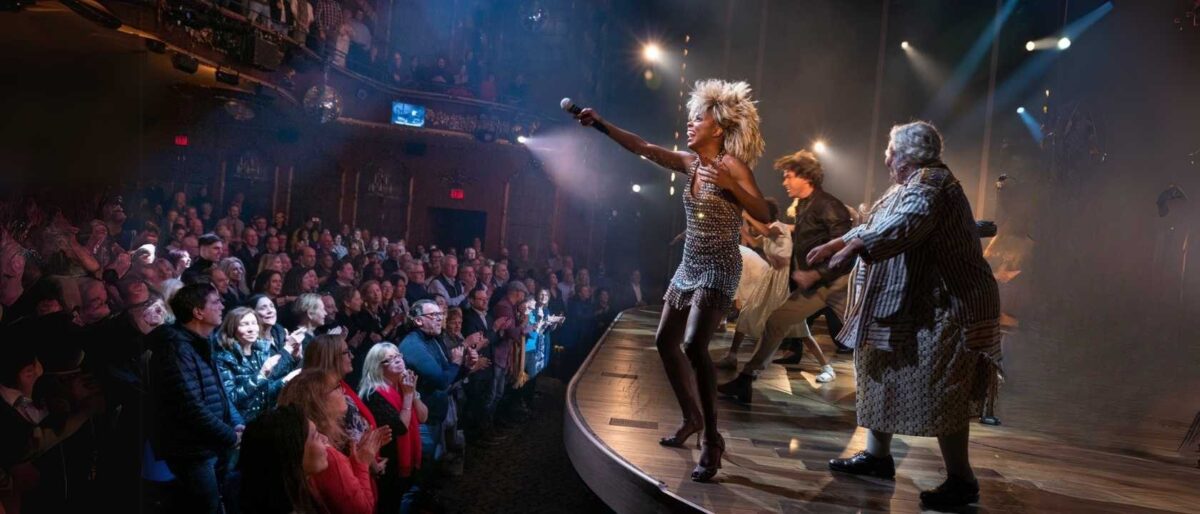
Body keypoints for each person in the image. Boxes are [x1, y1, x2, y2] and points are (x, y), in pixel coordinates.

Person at [574, 79, 769, 481]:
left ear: (719, 127)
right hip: (689, 263)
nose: (691, 123)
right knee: (665, 340)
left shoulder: (731, 166)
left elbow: (765, 213)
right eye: (691, 117)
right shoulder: (689, 163)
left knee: (694, 343)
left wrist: (733, 187)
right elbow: (643, 147)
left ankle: (713, 439)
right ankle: (692, 418)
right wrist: (600, 124)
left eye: (699, 118)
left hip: (720, 264)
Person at [808, 121, 1002, 509]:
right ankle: (877, 457)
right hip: (908, 305)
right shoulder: (909, 185)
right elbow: (876, 222)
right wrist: (839, 242)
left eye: (890, 151)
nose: (886, 157)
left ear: (907, 156)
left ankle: (962, 481)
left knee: (941, 387)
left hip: (948, 307)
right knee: (878, 369)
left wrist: (856, 245)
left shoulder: (932, 184)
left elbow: (906, 223)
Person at [719, 149, 851, 402]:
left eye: (789, 176)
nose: (784, 182)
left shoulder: (830, 206)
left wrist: (815, 274)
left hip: (838, 284)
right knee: (777, 321)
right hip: (817, 285)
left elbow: (845, 251)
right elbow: (800, 236)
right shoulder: (805, 205)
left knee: (866, 335)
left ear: (806, 177)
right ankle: (745, 380)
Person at [148, 283, 244, 514]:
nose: (222, 305)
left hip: (210, 445)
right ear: (198, 312)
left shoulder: (200, 343)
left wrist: (235, 422)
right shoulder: (176, 349)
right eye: (215, 302)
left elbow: (219, 390)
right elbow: (190, 406)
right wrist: (230, 435)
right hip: (192, 450)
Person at [277, 369, 390, 514]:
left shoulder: (313, 441)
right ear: (319, 402)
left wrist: (358, 458)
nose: (343, 391)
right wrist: (362, 462)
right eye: (337, 387)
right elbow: (362, 510)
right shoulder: (327, 455)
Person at [361, 341, 429, 513]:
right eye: (390, 359)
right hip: (389, 461)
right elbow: (400, 428)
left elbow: (423, 416)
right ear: (377, 366)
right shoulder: (373, 394)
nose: (398, 360)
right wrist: (407, 396)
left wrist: (412, 393)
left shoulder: (402, 384)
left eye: (399, 355)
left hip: (406, 456)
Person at [302, 333, 377, 449]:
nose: (351, 356)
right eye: (347, 353)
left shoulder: (339, 384)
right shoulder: (323, 393)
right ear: (331, 357)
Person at [215, 307, 287, 423]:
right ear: (232, 329)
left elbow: (265, 391)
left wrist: (285, 381)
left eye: (254, 323)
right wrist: (261, 375)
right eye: (244, 324)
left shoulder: (261, 353)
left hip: (265, 419)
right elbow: (231, 398)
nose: (251, 329)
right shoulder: (224, 358)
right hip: (243, 424)